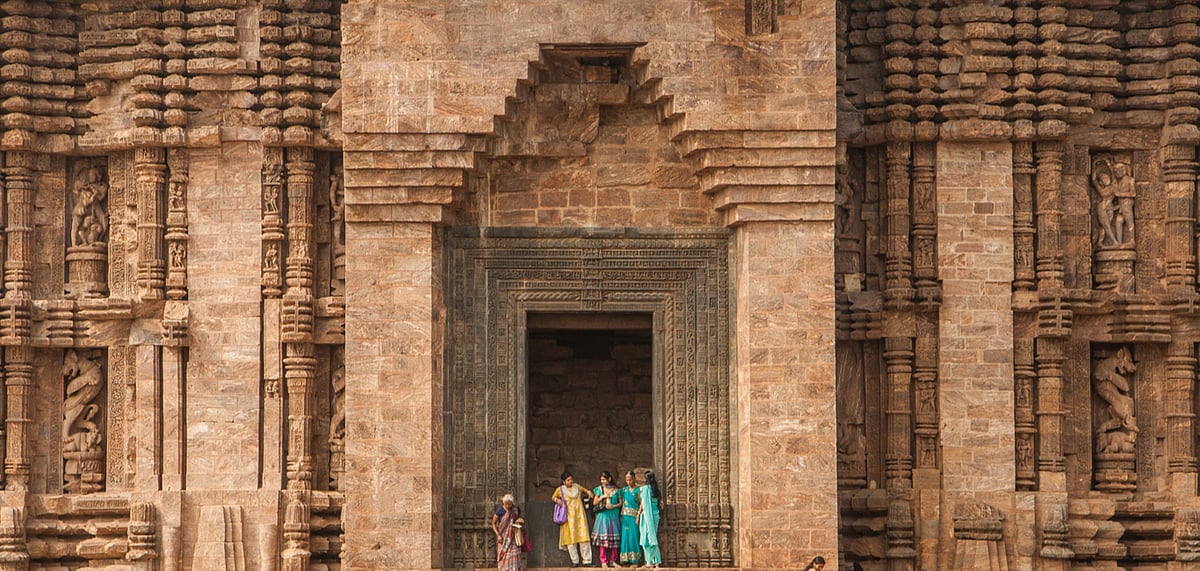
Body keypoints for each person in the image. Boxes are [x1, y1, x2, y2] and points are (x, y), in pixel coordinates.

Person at [553, 471, 595, 567]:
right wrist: (557, 500)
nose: (570, 481)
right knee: (571, 541)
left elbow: (585, 490)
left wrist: (589, 492)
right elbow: (553, 497)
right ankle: (575, 561)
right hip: (568, 518)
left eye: (571, 479)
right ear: (564, 482)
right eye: (568, 480)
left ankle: (587, 560)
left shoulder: (577, 487)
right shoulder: (561, 490)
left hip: (580, 516)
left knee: (584, 538)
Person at [592, 471, 622, 567]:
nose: (602, 481)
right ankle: (603, 561)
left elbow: (621, 503)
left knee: (614, 538)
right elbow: (594, 502)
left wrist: (613, 506)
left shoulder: (617, 490)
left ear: (609, 479)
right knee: (603, 538)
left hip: (613, 515)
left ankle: (613, 560)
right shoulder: (599, 489)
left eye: (604, 479)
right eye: (601, 479)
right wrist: (602, 497)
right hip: (603, 516)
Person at [635, 471, 662, 568]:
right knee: (653, 538)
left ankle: (649, 562)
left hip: (647, 516)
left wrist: (638, 514)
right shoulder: (656, 490)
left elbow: (644, 505)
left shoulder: (645, 489)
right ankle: (656, 562)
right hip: (655, 515)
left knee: (646, 539)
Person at [492, 494, 524, 571]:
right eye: (506, 504)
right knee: (504, 555)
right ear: (503, 503)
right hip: (503, 538)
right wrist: (498, 535)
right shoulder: (500, 511)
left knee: (514, 554)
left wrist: (519, 522)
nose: (508, 506)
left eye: (509, 504)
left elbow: (520, 518)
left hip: (514, 536)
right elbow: (493, 523)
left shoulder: (516, 509)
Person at [617, 471, 642, 567]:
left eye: (630, 479)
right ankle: (625, 559)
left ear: (634, 479)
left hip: (634, 517)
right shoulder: (624, 490)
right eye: (627, 480)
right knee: (625, 537)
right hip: (625, 517)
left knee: (634, 537)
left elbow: (641, 503)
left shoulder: (638, 490)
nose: (628, 482)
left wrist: (639, 515)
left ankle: (635, 560)